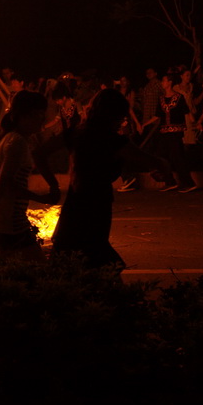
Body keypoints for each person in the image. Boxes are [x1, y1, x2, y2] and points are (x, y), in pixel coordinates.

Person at [52, 88, 130, 269]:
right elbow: (147, 158)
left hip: (75, 203)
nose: (121, 121)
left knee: (73, 256)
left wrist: (52, 184)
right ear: (112, 115)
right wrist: (162, 167)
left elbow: (40, 153)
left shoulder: (77, 133)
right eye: (120, 117)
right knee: (97, 257)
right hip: (97, 205)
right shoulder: (111, 139)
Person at [0, 91, 60, 261]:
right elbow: (8, 184)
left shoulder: (6, 137)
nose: (42, 121)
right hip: (12, 222)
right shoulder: (17, 142)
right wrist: (43, 198)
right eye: (39, 116)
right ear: (25, 116)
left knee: (7, 269)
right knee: (37, 268)